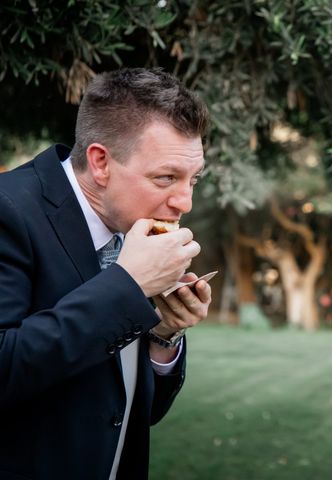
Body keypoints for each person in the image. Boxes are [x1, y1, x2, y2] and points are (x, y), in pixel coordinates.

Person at [0, 68, 212, 479]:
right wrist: (128, 287)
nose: (184, 201)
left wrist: (163, 333)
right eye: (166, 177)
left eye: (193, 179)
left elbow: (129, 411)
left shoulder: (130, 233)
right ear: (100, 162)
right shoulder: (9, 211)